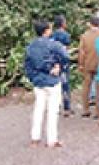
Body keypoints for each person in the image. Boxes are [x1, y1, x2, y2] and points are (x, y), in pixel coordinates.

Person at [24, 19, 69, 147]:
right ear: (46, 31)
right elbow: (65, 56)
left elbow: (27, 65)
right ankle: (52, 139)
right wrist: (58, 67)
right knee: (53, 110)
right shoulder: (54, 45)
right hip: (52, 80)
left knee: (38, 108)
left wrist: (32, 77)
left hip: (38, 81)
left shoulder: (31, 46)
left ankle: (35, 138)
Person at [78, 14, 99, 119]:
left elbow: (81, 52)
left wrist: (80, 64)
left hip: (87, 64)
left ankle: (86, 109)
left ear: (90, 24)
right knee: (98, 88)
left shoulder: (84, 35)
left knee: (86, 87)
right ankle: (98, 111)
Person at [51, 15, 74, 117]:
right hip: (63, 63)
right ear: (62, 23)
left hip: (53, 62)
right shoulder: (65, 35)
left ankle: (56, 107)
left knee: (55, 85)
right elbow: (66, 49)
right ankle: (67, 108)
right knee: (65, 85)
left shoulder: (52, 35)